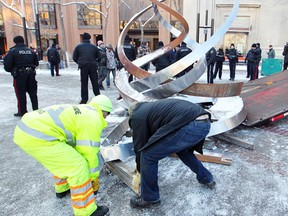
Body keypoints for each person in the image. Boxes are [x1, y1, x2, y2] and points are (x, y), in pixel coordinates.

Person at [13, 94, 112, 216]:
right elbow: (89, 152)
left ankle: (62, 189)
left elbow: (73, 144)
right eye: (107, 114)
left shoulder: (83, 110)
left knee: (65, 156)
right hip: (37, 135)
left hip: (27, 128)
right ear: (104, 111)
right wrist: (92, 177)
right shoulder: (94, 118)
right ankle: (87, 211)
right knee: (78, 166)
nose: (106, 118)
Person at [128, 99, 215, 208]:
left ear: (131, 113)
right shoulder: (152, 108)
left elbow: (140, 145)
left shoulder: (137, 116)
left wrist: (140, 172)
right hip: (204, 123)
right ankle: (207, 179)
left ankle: (150, 198)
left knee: (148, 155)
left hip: (190, 124)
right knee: (183, 152)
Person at [3, 35, 39, 117]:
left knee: (20, 93)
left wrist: (13, 70)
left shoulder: (12, 51)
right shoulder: (31, 51)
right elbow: (36, 63)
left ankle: (22, 111)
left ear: (15, 41)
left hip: (19, 75)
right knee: (33, 93)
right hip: (31, 74)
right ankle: (36, 109)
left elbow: (7, 65)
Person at [73, 32, 101, 104]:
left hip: (83, 66)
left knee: (84, 83)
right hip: (92, 66)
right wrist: (95, 62)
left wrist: (80, 62)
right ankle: (98, 97)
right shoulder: (94, 47)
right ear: (89, 38)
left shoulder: (78, 47)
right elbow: (99, 58)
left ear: (83, 38)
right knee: (95, 82)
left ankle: (84, 99)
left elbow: (74, 57)